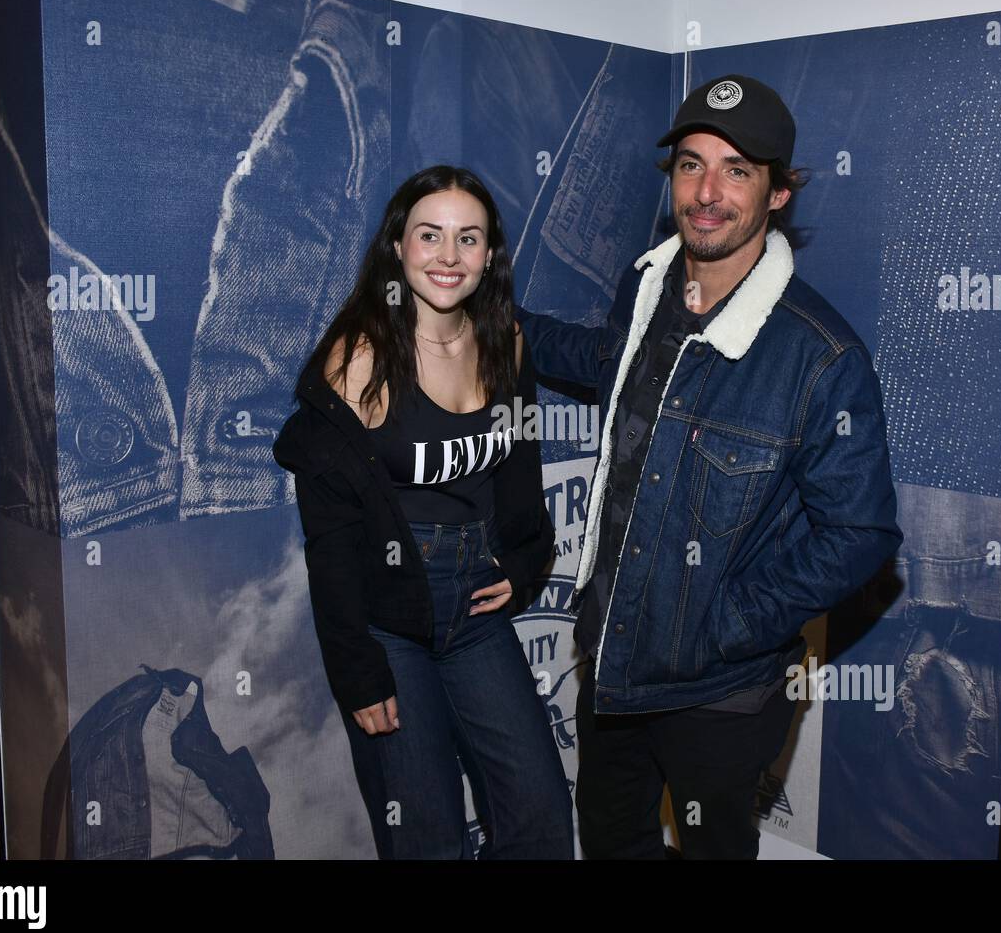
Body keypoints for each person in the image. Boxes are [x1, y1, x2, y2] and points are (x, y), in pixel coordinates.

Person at [516, 75, 903, 859]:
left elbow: (861, 533)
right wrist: (501, 323)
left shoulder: (820, 357)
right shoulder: (646, 285)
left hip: (719, 695)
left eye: (736, 170)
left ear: (778, 193)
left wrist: (728, 625)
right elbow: (606, 359)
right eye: (691, 165)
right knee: (613, 840)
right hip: (614, 662)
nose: (707, 192)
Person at [273, 166, 574, 859]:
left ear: (490, 253)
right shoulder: (359, 360)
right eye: (429, 236)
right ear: (398, 247)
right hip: (387, 621)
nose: (448, 256)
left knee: (541, 816)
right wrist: (357, 671)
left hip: (476, 607)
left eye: (468, 239)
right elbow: (332, 540)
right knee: (427, 837)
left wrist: (527, 560)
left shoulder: (508, 343)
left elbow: (520, 470)